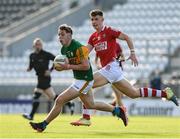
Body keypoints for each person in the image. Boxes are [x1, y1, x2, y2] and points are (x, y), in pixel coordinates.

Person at [70, 9, 179, 126]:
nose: (94, 22)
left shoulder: (109, 31)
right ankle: (166, 94)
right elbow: (86, 51)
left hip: (111, 68)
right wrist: (74, 54)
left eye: (96, 19)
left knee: (85, 84)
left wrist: (132, 53)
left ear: (102, 20)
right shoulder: (93, 37)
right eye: (92, 19)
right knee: (134, 94)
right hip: (112, 71)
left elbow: (127, 37)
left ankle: (86, 117)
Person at [29, 24, 127, 132]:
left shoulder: (78, 47)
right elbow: (67, 63)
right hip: (79, 79)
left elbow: (86, 66)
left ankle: (43, 124)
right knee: (91, 104)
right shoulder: (63, 50)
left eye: (62, 34)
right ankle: (118, 111)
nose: (60, 37)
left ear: (69, 35)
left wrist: (67, 67)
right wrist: (61, 67)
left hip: (85, 80)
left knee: (59, 100)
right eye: (59, 35)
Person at [71, 42, 126, 126]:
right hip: (104, 73)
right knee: (86, 87)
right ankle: (87, 115)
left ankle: (118, 110)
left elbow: (122, 57)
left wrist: (119, 60)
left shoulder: (116, 45)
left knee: (119, 96)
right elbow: (96, 59)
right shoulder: (101, 45)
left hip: (114, 73)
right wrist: (98, 66)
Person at [22, 38, 74, 120]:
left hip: (45, 78)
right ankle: (69, 103)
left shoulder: (45, 54)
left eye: (39, 44)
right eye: (36, 44)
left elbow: (56, 60)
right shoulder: (32, 55)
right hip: (39, 77)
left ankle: (31, 115)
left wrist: (50, 70)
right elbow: (31, 65)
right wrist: (29, 68)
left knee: (36, 96)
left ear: (42, 45)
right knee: (53, 97)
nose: (38, 46)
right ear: (33, 46)